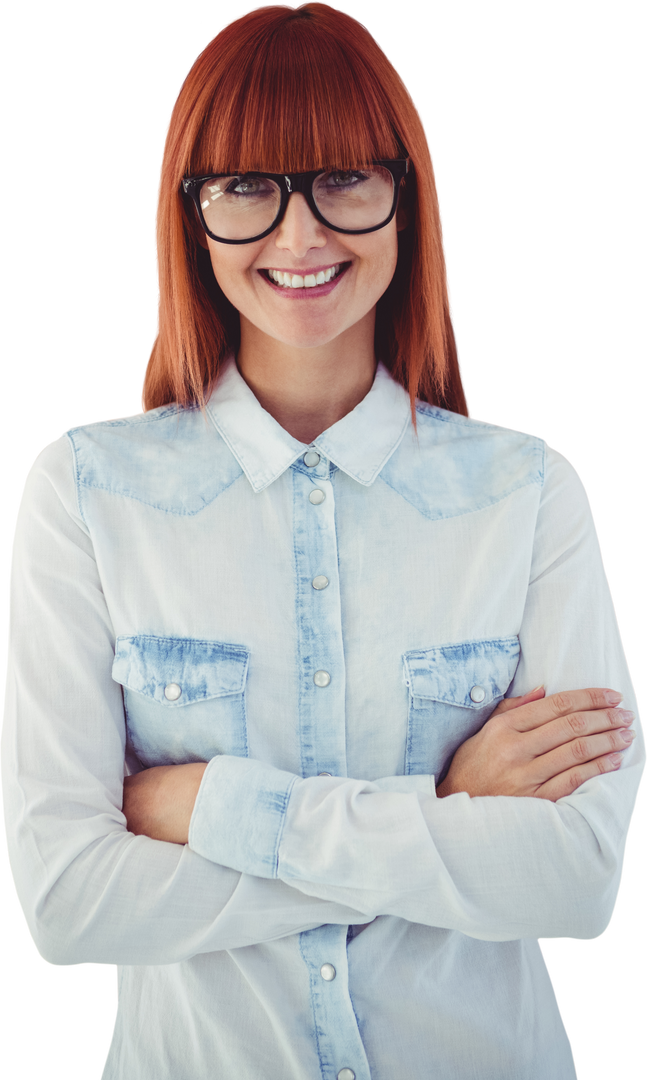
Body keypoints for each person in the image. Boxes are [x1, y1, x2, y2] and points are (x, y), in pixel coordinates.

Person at [2, 4, 644, 1078]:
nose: (299, 238)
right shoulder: (84, 491)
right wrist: (441, 814)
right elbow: (68, 906)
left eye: (343, 177)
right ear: (191, 215)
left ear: (406, 195)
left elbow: (575, 881)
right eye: (248, 187)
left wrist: (213, 810)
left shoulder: (527, 491)